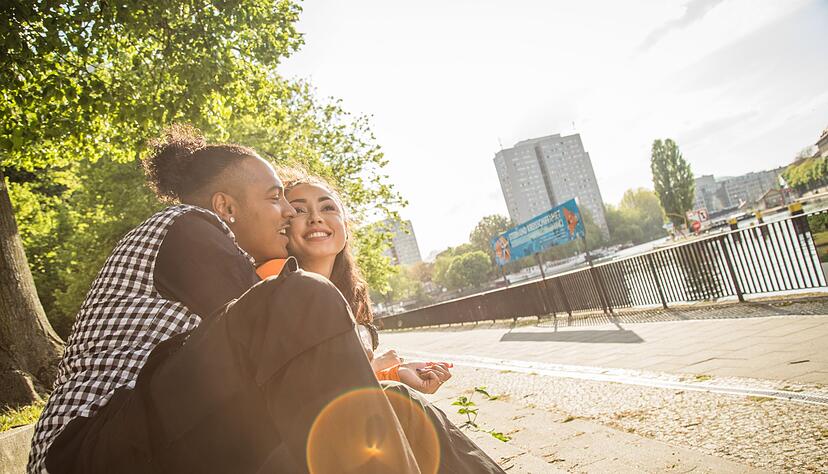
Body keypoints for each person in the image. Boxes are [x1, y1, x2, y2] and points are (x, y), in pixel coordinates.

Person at [28, 125, 429, 473]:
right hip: (84, 449)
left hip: (152, 435)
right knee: (304, 295)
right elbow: (289, 340)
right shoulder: (188, 229)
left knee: (395, 410)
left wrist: (385, 380)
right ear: (226, 207)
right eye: (276, 198)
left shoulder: (207, 252)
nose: (288, 211)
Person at [276, 173, 505, 473]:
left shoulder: (344, 293)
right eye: (300, 210)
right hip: (307, 444)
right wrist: (377, 371)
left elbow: (342, 379)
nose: (316, 218)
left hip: (347, 430)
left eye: (328, 208)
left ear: (344, 225)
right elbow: (303, 393)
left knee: (400, 402)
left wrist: (395, 371)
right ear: (283, 224)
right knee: (398, 402)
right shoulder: (280, 293)